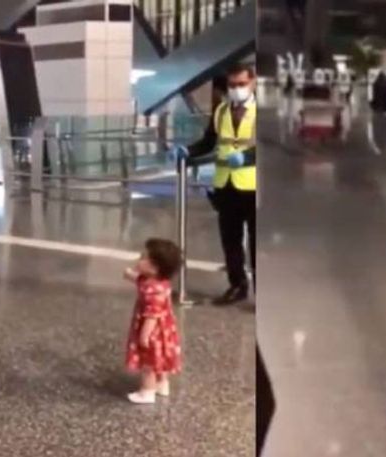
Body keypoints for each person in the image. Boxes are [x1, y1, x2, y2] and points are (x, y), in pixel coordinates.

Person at [171, 63, 257, 305]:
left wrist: (247, 157)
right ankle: (237, 285)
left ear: (253, 82)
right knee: (230, 239)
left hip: (254, 185)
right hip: (225, 184)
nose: (236, 89)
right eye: (232, 85)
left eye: (242, 84)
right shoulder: (221, 111)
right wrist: (186, 150)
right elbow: (209, 142)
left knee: (257, 241)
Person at [123, 239, 183, 404]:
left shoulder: (152, 290)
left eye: (143, 257)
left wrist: (144, 335)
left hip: (153, 332)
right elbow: (140, 281)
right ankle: (163, 384)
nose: (139, 259)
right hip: (165, 331)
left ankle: (147, 391)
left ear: (154, 267)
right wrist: (130, 274)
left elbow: (152, 315)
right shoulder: (159, 283)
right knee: (160, 360)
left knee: (148, 363)